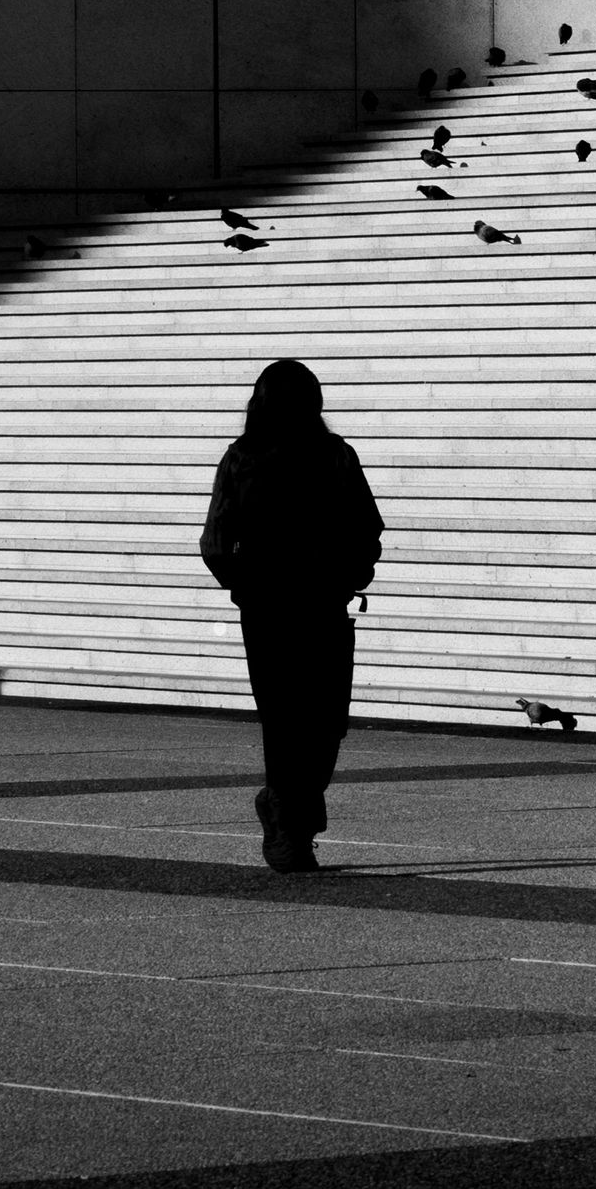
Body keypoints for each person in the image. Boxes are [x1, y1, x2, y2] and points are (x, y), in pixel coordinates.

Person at [199, 359, 384, 873]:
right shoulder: (242, 459)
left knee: (324, 723)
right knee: (289, 719)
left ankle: (286, 809)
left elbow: (367, 526)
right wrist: (249, 587)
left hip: (322, 603)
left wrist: (352, 574)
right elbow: (215, 541)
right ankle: (291, 830)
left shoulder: (337, 457)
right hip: (272, 609)